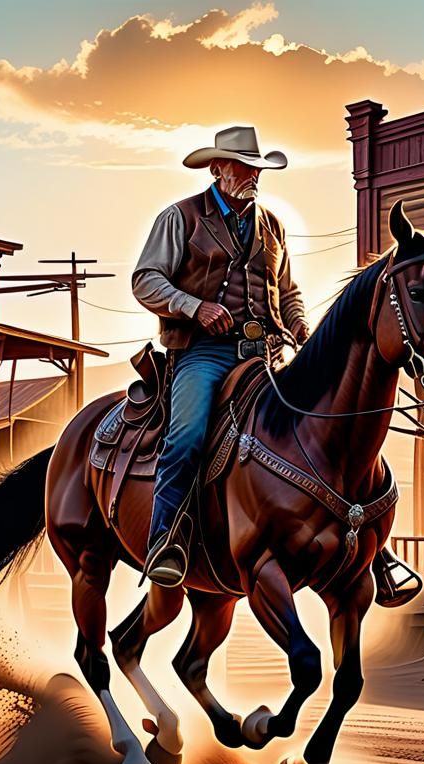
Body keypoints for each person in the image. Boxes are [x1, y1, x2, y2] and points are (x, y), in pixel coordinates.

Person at [132, 125, 310, 587]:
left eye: (257, 168)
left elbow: (286, 290)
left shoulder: (273, 226)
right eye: (243, 167)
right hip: (203, 352)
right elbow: (145, 280)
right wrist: (193, 307)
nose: (253, 175)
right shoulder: (181, 218)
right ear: (218, 169)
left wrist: (300, 325)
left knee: (320, 420)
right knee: (188, 435)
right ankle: (165, 540)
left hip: (267, 352)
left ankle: (359, 538)